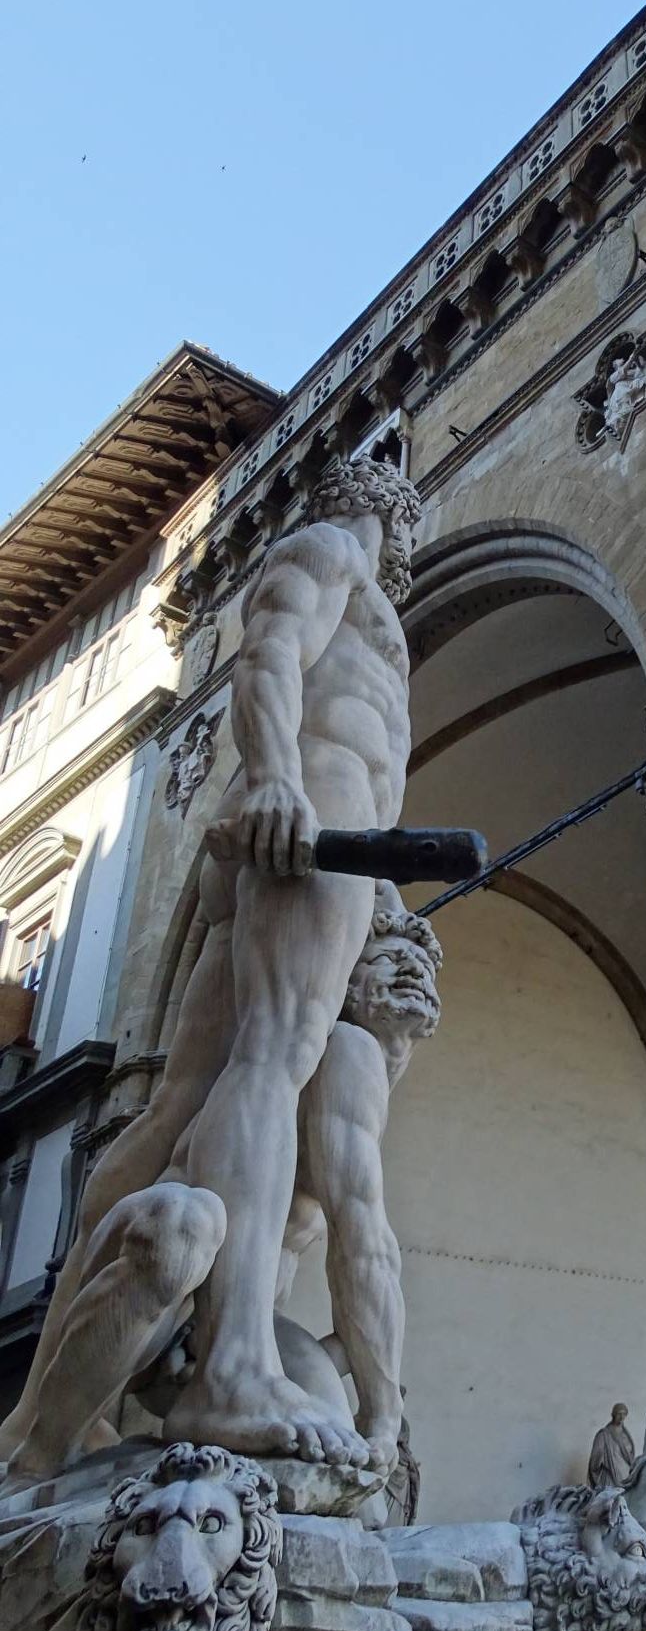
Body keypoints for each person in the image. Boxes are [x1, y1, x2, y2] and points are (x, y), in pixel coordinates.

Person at [0, 455, 421, 1471]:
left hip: (310, 831)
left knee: (183, 1097)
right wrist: (276, 777)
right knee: (271, 1062)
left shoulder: (360, 597)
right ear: (390, 517)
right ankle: (233, 1362)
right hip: (314, 818)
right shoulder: (331, 554)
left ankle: (37, 1416)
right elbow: (266, 653)